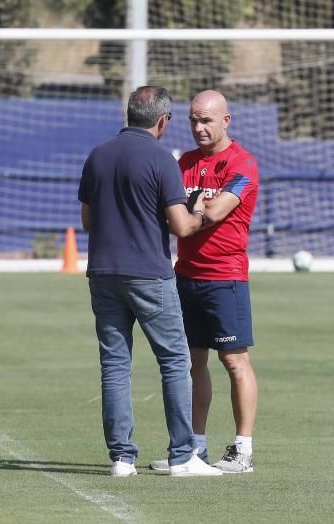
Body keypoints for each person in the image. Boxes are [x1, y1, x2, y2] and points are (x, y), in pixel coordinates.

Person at [79, 85, 221, 477]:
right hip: (149, 273)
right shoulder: (162, 160)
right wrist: (201, 214)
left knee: (115, 364)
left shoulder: (98, 155)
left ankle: (122, 458)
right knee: (175, 361)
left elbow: (88, 221)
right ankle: (182, 456)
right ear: (163, 121)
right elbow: (181, 226)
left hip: (104, 274)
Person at [149, 90, 260, 473]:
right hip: (185, 276)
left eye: (207, 120)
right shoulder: (184, 163)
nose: (199, 127)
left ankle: (242, 449)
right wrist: (188, 209)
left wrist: (191, 207)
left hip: (225, 278)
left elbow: (214, 210)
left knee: (234, 360)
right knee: (192, 363)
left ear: (226, 121)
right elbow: (169, 214)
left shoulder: (243, 164)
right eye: (194, 120)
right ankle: (193, 448)